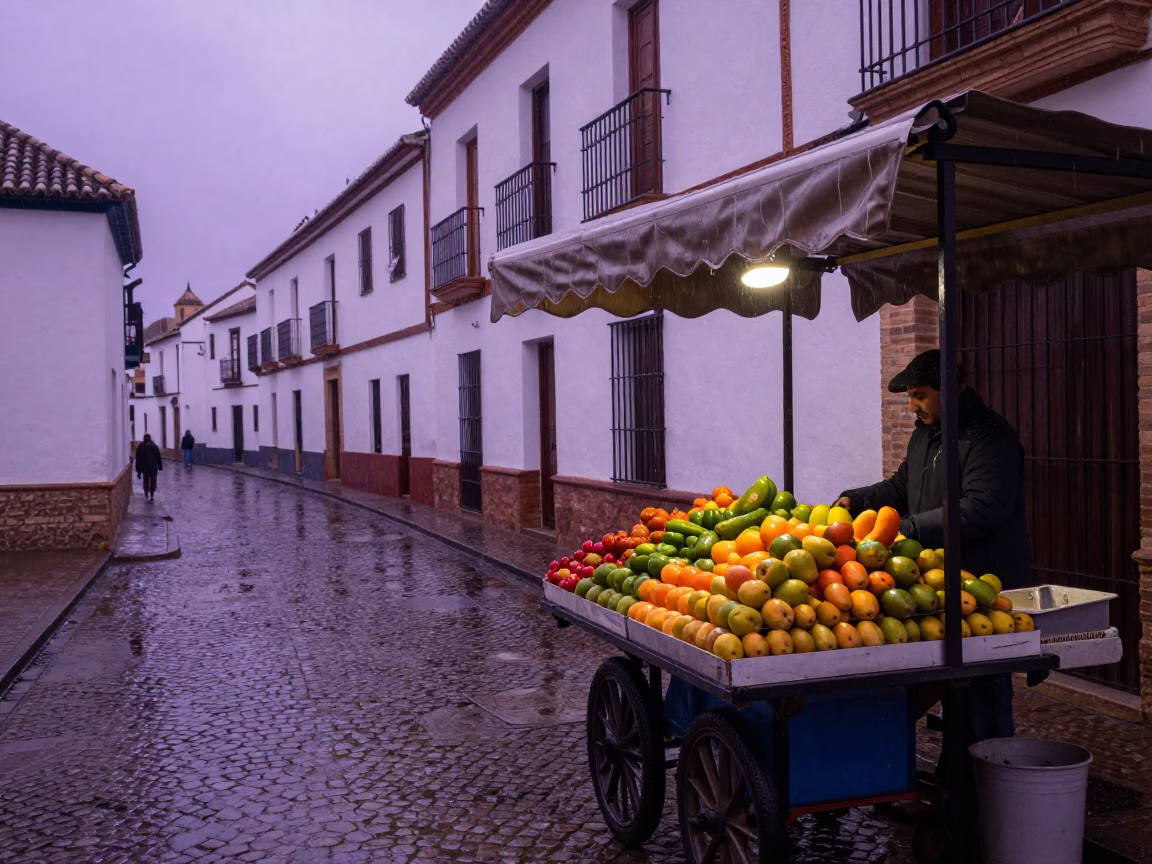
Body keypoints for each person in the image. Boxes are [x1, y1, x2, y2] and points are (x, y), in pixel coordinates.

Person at [834, 348, 1029, 747]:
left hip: (983, 586)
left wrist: (904, 531)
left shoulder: (991, 437)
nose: (912, 406)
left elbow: (982, 509)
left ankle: (984, 791)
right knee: (953, 689)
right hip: (940, 583)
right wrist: (855, 499)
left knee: (984, 693)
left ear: (953, 388)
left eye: (920, 395)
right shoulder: (925, 434)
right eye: (909, 397)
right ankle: (952, 786)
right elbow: (902, 488)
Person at [135, 433, 163, 501]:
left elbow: (138, 458)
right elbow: (158, 457)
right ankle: (152, 493)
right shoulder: (154, 446)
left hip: (145, 467)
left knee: (146, 480)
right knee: (153, 480)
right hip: (153, 467)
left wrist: (138, 470)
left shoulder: (141, 446)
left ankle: (146, 493)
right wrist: (160, 466)